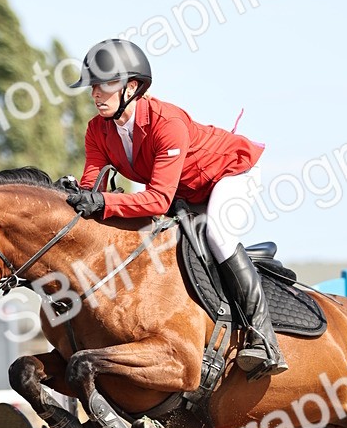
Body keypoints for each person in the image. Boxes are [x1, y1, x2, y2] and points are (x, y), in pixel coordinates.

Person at [65, 38, 287, 379]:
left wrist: (105, 201)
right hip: (184, 190)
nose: (96, 94)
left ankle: (264, 338)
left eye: (105, 85)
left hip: (228, 174)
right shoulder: (97, 130)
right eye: (93, 86)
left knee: (219, 235)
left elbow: (156, 201)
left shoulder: (166, 122)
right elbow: (91, 187)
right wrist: (74, 198)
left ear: (132, 86)